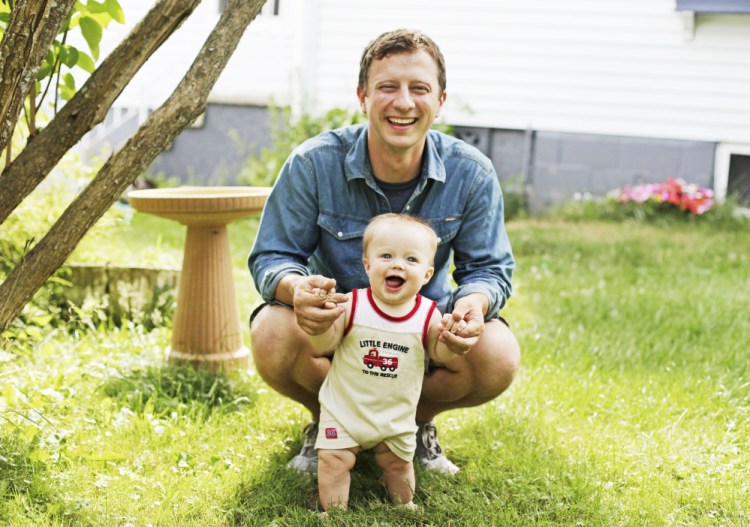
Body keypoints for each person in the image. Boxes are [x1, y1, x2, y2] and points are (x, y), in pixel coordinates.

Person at [248, 27, 520, 476]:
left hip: (421, 338)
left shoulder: (471, 173)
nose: (403, 102)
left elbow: (489, 269)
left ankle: (413, 425)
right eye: (387, 87)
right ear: (362, 96)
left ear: (441, 100)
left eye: (419, 88)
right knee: (272, 332)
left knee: (498, 353)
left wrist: (473, 304)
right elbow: (271, 256)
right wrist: (298, 291)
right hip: (334, 335)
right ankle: (330, 422)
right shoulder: (314, 163)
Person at [308, 214, 472, 511]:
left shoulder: (428, 315)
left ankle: (404, 504)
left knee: (398, 464)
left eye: (411, 259)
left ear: (427, 274)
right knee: (334, 461)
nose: (397, 264)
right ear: (367, 264)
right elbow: (325, 344)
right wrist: (320, 328)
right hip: (345, 409)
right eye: (386, 255)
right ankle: (333, 513)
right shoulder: (352, 304)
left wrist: (451, 341)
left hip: (395, 416)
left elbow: (439, 353)